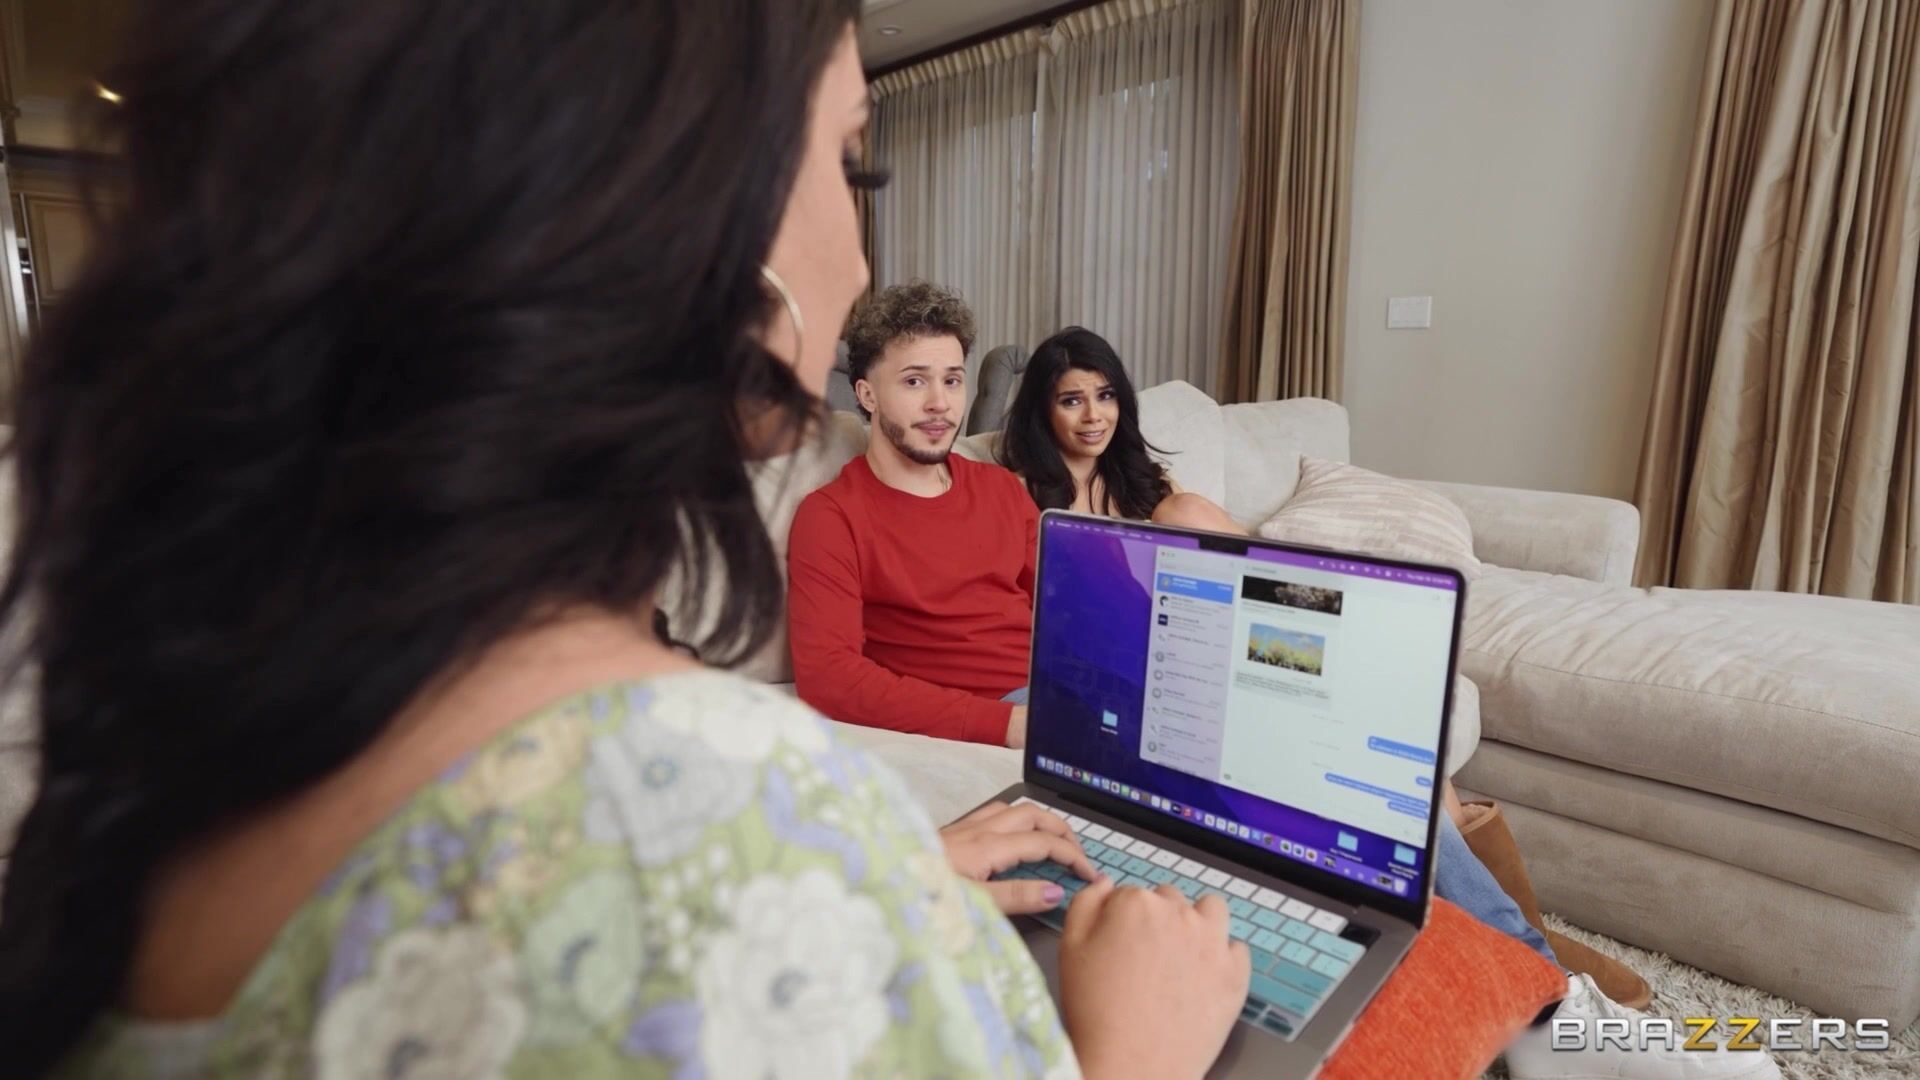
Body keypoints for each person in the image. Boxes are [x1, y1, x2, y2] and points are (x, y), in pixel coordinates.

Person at [0, 5, 1255, 1077]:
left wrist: (861, 885)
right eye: (848, 165)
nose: (857, 250)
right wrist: (1134, 1052)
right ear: (695, 228)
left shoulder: (166, 735)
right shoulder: (717, 812)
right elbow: (698, 847)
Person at [1001, 327, 1776, 1080]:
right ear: (1043, 410)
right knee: (1393, 785)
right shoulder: (1020, 506)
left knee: (1401, 773)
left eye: (1106, 395)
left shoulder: (1162, 496)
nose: (1094, 415)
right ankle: (1546, 999)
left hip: (1220, 669)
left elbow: (1274, 592)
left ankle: (1534, 989)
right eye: (1072, 399)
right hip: (1142, 693)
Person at [788, 279, 1040, 747]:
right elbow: (829, 679)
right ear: (867, 395)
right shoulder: (831, 517)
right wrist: (1007, 725)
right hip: (1005, 714)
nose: (940, 403)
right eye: (914, 381)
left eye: (952, 380)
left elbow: (1066, 610)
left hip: (1063, 690)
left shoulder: (1001, 488)